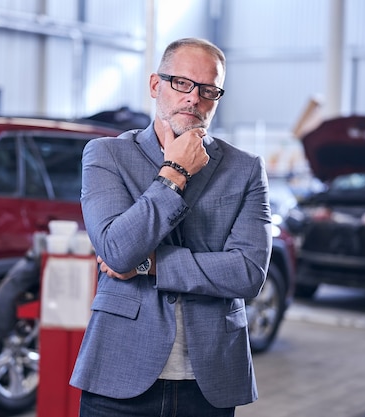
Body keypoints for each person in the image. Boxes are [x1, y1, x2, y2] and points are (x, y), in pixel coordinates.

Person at [70, 37, 273, 417]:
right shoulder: (106, 155)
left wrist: (151, 263)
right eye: (182, 83)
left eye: (208, 89)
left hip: (209, 380)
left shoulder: (245, 169)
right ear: (155, 85)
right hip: (119, 372)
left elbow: (247, 273)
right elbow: (116, 250)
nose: (194, 98)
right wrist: (174, 172)